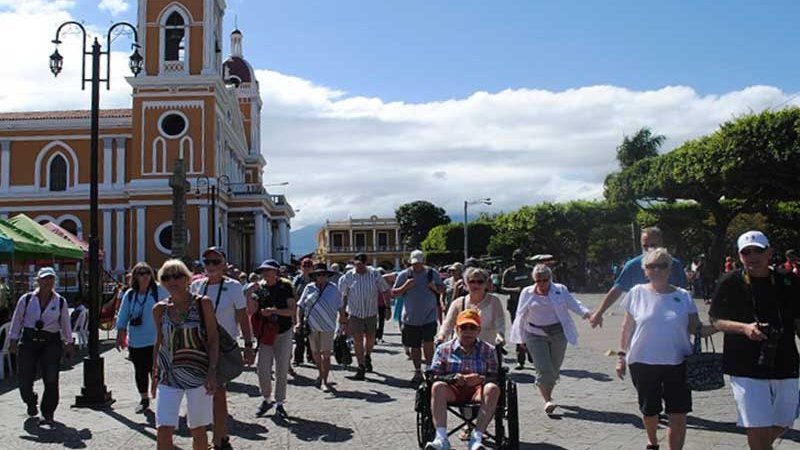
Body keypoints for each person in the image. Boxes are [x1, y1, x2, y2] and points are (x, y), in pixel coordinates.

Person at [616, 248, 716, 450]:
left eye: (662, 266)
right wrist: (621, 356)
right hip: (643, 362)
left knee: (678, 414)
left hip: (678, 362)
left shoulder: (683, 296)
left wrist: (721, 325)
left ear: (670, 269)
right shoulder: (636, 293)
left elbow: (695, 328)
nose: (656, 270)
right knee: (650, 411)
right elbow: (627, 327)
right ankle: (652, 441)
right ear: (645, 270)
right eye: (651, 266)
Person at [709, 231, 800, 450]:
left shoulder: (787, 279)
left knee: (785, 419)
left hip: (784, 359)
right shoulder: (730, 281)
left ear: (769, 252)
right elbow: (715, 320)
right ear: (740, 256)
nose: (752, 256)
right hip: (745, 363)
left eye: (758, 250)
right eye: (746, 252)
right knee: (757, 424)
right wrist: (745, 328)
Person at [189, 247, 255, 450]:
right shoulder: (197, 286)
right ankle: (220, 435)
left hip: (223, 347)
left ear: (224, 264)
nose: (211, 266)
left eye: (215, 262)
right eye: (207, 262)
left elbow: (243, 317)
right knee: (203, 393)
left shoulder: (233, 287)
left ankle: (219, 438)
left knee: (218, 391)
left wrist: (248, 345)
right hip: (199, 345)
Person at [152, 259, 219, 450]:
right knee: (163, 428)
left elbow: (213, 340)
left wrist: (212, 371)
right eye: (166, 277)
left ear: (187, 278)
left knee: (197, 429)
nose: (172, 281)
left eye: (177, 276)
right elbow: (159, 341)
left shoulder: (203, 304)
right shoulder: (159, 309)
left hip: (198, 373)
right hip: (168, 374)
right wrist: (154, 373)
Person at [510, 264, 590, 415]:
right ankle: (547, 400)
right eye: (538, 280)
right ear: (534, 280)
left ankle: (548, 391)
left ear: (550, 278)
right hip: (534, 334)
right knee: (544, 370)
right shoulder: (527, 292)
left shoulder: (560, 290)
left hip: (558, 334)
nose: (542, 283)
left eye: (545, 280)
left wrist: (587, 313)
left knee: (554, 369)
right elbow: (520, 314)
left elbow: (573, 303)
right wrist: (520, 339)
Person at [424, 309, 500, 450]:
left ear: (478, 330)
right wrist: (452, 378)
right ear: (457, 329)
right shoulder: (444, 349)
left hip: (478, 390)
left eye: (472, 328)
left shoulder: (488, 349)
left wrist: (481, 379)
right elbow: (433, 375)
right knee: (437, 386)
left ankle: (476, 437)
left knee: (493, 389)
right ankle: (441, 439)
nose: (468, 332)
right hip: (453, 390)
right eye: (463, 328)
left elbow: (495, 375)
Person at [8, 267, 73, 424]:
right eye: (44, 278)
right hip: (29, 340)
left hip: (51, 341)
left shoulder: (60, 301)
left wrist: (69, 342)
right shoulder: (26, 299)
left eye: (50, 278)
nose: (47, 282)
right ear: (38, 280)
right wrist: (13, 341)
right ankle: (30, 401)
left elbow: (65, 323)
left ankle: (48, 412)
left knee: (51, 378)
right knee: (24, 378)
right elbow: (17, 321)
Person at [590, 227, 688, 327]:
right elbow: (617, 290)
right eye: (645, 246)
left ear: (661, 244)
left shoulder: (674, 265)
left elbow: (683, 294)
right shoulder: (633, 266)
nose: (649, 249)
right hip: (641, 323)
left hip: (670, 321)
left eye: (653, 245)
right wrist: (599, 313)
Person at [115, 262, 166, 413]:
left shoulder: (159, 291)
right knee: (140, 371)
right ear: (135, 276)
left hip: (157, 340)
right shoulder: (130, 294)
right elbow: (123, 315)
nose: (145, 276)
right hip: (136, 341)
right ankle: (144, 399)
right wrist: (120, 335)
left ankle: (162, 400)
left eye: (148, 273)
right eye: (141, 273)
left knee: (158, 371)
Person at [249, 259, 296, 419]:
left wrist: (274, 311)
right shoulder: (260, 288)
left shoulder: (285, 286)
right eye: (263, 270)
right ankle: (267, 399)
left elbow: (292, 310)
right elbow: (252, 311)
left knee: (281, 368)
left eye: (268, 270)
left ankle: (280, 402)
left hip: (283, 331)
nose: (265, 273)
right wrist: (250, 294)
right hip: (266, 333)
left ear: (276, 272)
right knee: (262, 368)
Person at [392, 250, 444, 385]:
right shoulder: (404, 275)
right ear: (410, 262)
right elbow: (394, 293)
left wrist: (434, 287)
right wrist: (405, 286)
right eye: (414, 264)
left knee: (428, 342)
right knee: (414, 346)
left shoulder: (432, 273)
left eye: (419, 263)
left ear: (423, 262)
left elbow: (442, 289)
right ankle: (417, 371)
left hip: (429, 315)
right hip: (410, 317)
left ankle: (429, 369)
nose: (417, 266)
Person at [339, 252, 390, 380]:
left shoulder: (374, 274)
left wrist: (387, 307)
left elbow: (385, 290)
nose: (359, 267)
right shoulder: (348, 277)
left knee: (371, 337)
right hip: (355, 313)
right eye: (357, 264)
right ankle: (361, 366)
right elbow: (343, 295)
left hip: (371, 312)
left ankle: (367, 356)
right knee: (357, 340)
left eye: (361, 264)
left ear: (366, 263)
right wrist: (342, 313)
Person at [297, 263, 344, 392]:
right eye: (319, 275)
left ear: (327, 276)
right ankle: (321, 373)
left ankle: (324, 381)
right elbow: (300, 305)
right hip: (312, 326)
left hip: (328, 326)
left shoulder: (333, 288)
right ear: (315, 276)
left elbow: (340, 306)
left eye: (324, 274)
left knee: (326, 354)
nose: (321, 277)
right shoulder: (309, 288)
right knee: (316, 353)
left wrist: (343, 321)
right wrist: (299, 322)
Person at [437, 267, 505, 346]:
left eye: (480, 282)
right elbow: (447, 325)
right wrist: (441, 337)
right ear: (466, 284)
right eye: (472, 281)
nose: (476, 285)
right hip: (461, 349)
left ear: (486, 284)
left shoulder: (494, 301)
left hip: (486, 349)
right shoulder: (458, 303)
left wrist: (500, 337)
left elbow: (500, 323)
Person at [501, 249, 534, 370]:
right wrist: (515, 290)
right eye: (516, 258)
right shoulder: (509, 272)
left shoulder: (530, 270)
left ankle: (532, 353)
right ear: (513, 259)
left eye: (521, 257)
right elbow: (502, 288)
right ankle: (520, 360)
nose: (519, 260)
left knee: (531, 329)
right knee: (518, 331)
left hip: (530, 304)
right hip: (515, 304)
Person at [292, 258, 314, 366]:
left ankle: (311, 357)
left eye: (309, 266)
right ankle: (298, 358)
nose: (306, 268)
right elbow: (293, 293)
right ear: (301, 267)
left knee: (312, 335)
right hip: (299, 309)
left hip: (312, 310)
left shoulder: (315, 279)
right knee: (298, 334)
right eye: (304, 266)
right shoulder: (297, 279)